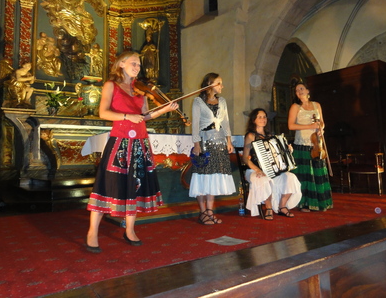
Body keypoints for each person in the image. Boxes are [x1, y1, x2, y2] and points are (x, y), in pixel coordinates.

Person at [86, 51, 179, 253]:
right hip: (120, 142)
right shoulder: (111, 85)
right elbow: (103, 113)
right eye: (133, 63)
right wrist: (128, 116)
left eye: (138, 64)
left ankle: (130, 230)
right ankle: (93, 231)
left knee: (134, 186)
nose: (137, 67)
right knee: (107, 185)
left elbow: (144, 117)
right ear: (121, 64)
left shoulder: (140, 91)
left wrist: (165, 109)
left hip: (140, 143)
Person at [189, 73, 236, 225]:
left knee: (214, 177)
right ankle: (203, 212)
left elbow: (226, 123)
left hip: (220, 143)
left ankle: (210, 211)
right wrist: (196, 144)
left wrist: (229, 141)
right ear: (209, 84)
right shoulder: (198, 101)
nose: (222, 86)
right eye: (219, 83)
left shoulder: (222, 101)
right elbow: (195, 125)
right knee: (203, 176)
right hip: (205, 143)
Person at [242, 108, 302, 219]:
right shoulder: (250, 136)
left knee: (291, 177)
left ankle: (282, 206)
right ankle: (268, 208)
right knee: (264, 179)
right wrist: (258, 170)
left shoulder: (271, 136)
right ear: (254, 120)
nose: (262, 119)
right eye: (259, 117)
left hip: (272, 171)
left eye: (264, 117)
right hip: (254, 170)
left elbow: (279, 155)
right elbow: (245, 159)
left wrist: (288, 151)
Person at [288, 82, 333, 212]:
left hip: (316, 144)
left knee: (318, 173)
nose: (299, 91)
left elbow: (322, 122)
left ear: (308, 90)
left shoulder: (317, 105)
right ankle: (304, 203)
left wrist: (321, 129)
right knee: (305, 176)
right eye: (297, 90)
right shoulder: (295, 107)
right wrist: (310, 126)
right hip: (302, 144)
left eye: (301, 88)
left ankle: (320, 202)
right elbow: (291, 126)